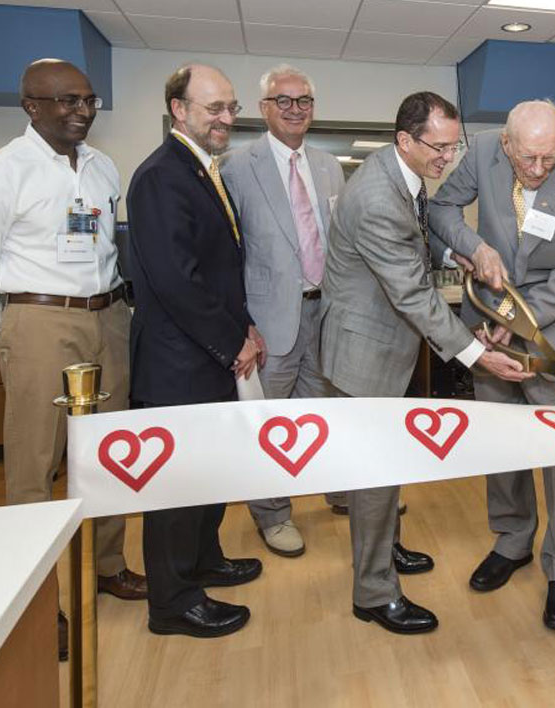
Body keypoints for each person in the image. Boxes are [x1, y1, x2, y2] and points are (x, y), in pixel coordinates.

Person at [0, 58, 147, 660]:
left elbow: (102, 245)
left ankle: (108, 564)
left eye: (86, 100)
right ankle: (37, 601)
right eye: (64, 101)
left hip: (109, 316)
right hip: (39, 319)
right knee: (36, 465)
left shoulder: (102, 166)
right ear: (30, 106)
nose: (81, 111)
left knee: (112, 452)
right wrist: (8, 332)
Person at [318, 91, 529, 635]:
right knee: (373, 477)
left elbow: (415, 242)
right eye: (439, 147)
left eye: (454, 145)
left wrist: (452, 252)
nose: (448, 158)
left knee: (387, 468)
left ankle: (386, 547)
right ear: (405, 140)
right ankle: (374, 591)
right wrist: (479, 356)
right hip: (364, 355)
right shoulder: (375, 197)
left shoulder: (400, 176)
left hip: (387, 347)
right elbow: (413, 296)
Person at [430, 99, 555, 630]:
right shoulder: (482, 151)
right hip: (488, 307)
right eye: (527, 157)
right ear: (506, 143)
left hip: (554, 318)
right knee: (501, 429)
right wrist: (475, 246)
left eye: (548, 158)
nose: (536, 169)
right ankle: (512, 539)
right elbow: (439, 211)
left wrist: (521, 320)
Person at [126, 64, 264, 638]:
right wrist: (232, 339)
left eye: (231, 108)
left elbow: (221, 269)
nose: (227, 119)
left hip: (208, 358)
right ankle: (172, 601)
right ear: (178, 109)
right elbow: (176, 280)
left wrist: (247, 328)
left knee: (208, 475)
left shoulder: (205, 171)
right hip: (177, 365)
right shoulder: (161, 176)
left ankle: (204, 559)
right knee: (176, 487)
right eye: (215, 109)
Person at [218, 64, 350, 559]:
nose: (295, 109)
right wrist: (240, 325)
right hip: (267, 322)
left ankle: (335, 489)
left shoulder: (328, 164)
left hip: (324, 315)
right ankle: (272, 515)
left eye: (304, 101)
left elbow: (339, 244)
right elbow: (225, 256)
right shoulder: (235, 167)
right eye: (284, 101)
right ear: (264, 108)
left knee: (322, 415)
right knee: (268, 424)